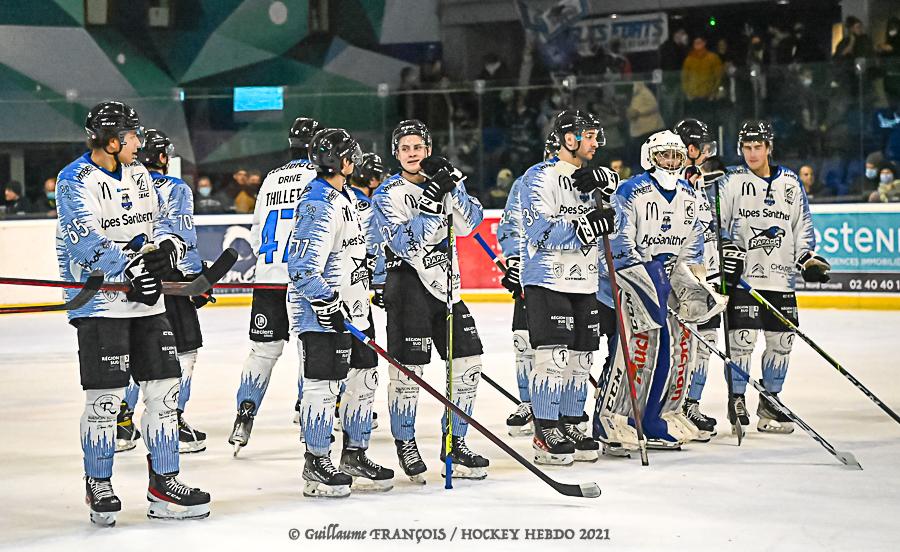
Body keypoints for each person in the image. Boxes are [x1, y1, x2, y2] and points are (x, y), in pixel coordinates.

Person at [57, 101, 209, 525]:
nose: (139, 142)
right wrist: (130, 268)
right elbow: (83, 243)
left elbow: (160, 224)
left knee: (164, 391)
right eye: (131, 135)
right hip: (101, 305)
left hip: (147, 302)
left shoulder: (139, 173)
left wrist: (166, 251)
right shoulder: (74, 180)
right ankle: (99, 482)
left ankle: (164, 482)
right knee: (105, 400)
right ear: (111, 141)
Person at [371, 119, 489, 482]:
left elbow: (470, 224)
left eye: (418, 147)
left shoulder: (445, 181)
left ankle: (455, 442)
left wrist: (455, 185)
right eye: (405, 148)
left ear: (429, 150)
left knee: (468, 363)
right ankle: (406, 442)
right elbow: (404, 244)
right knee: (408, 372)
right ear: (396, 153)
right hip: (408, 286)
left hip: (447, 287)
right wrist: (432, 201)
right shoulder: (387, 194)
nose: (412, 154)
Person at [594, 129, 722, 452]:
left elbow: (691, 249)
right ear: (650, 158)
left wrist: (690, 285)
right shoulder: (631, 191)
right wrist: (646, 280)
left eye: (676, 156)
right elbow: (619, 246)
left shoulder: (689, 197)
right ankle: (611, 419)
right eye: (664, 155)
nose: (671, 161)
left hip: (664, 285)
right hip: (624, 286)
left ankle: (652, 419)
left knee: (668, 353)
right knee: (630, 355)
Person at [287, 127, 393, 497]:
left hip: (356, 312)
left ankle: (354, 454)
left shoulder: (345, 196)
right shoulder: (318, 202)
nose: (356, 160)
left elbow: (355, 253)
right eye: (351, 154)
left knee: (364, 380)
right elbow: (302, 267)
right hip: (324, 317)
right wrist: (325, 302)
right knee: (323, 387)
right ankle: (316, 461)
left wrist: (375, 281)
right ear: (342, 161)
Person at [519, 110, 617, 465]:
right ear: (568, 138)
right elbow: (539, 231)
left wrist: (610, 196)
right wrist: (587, 227)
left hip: (585, 280)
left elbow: (615, 226)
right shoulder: (538, 177)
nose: (595, 143)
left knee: (581, 358)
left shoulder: (597, 179)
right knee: (553, 359)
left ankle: (571, 422)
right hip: (548, 280)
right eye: (588, 135)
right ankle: (545, 429)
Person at [719, 120, 829, 433]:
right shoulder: (731, 180)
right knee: (741, 342)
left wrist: (807, 260)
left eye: (758, 147)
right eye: (747, 147)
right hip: (743, 279)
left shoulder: (791, 182)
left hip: (781, 279)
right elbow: (717, 224)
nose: (752, 153)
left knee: (782, 342)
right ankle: (736, 399)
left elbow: (802, 228)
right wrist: (725, 249)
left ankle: (771, 402)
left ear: (769, 147)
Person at [228, 117, 320, 455]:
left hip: (268, 276)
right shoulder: (320, 176)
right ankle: (307, 417)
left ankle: (244, 416)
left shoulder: (270, 178)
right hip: (305, 278)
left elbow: (256, 234)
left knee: (263, 351)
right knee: (311, 348)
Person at [134, 128, 210, 453]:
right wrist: (196, 281)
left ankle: (123, 422)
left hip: (135, 280)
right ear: (163, 156)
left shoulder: (125, 187)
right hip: (171, 278)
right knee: (185, 351)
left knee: (137, 350)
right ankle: (173, 418)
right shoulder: (174, 187)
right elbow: (182, 234)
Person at [496, 132, 560, 438]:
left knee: (563, 346)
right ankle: (528, 402)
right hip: (532, 274)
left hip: (570, 277)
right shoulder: (525, 183)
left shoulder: (579, 185)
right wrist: (514, 261)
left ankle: (562, 406)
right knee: (523, 339)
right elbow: (510, 227)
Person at [673, 118, 724, 442]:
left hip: (708, 277)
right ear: (690, 149)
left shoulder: (702, 182)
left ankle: (691, 405)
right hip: (684, 280)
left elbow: (709, 229)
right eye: (703, 147)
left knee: (706, 344)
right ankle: (673, 407)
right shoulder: (673, 184)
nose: (707, 153)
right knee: (681, 346)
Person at [681, 36, 723, 115]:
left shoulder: (713, 58)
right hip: (693, 96)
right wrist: (687, 92)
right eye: (695, 43)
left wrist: (714, 92)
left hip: (708, 95)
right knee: (695, 117)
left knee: (709, 117)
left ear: (704, 43)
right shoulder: (689, 59)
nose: (697, 45)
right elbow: (684, 77)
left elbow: (718, 76)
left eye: (699, 42)